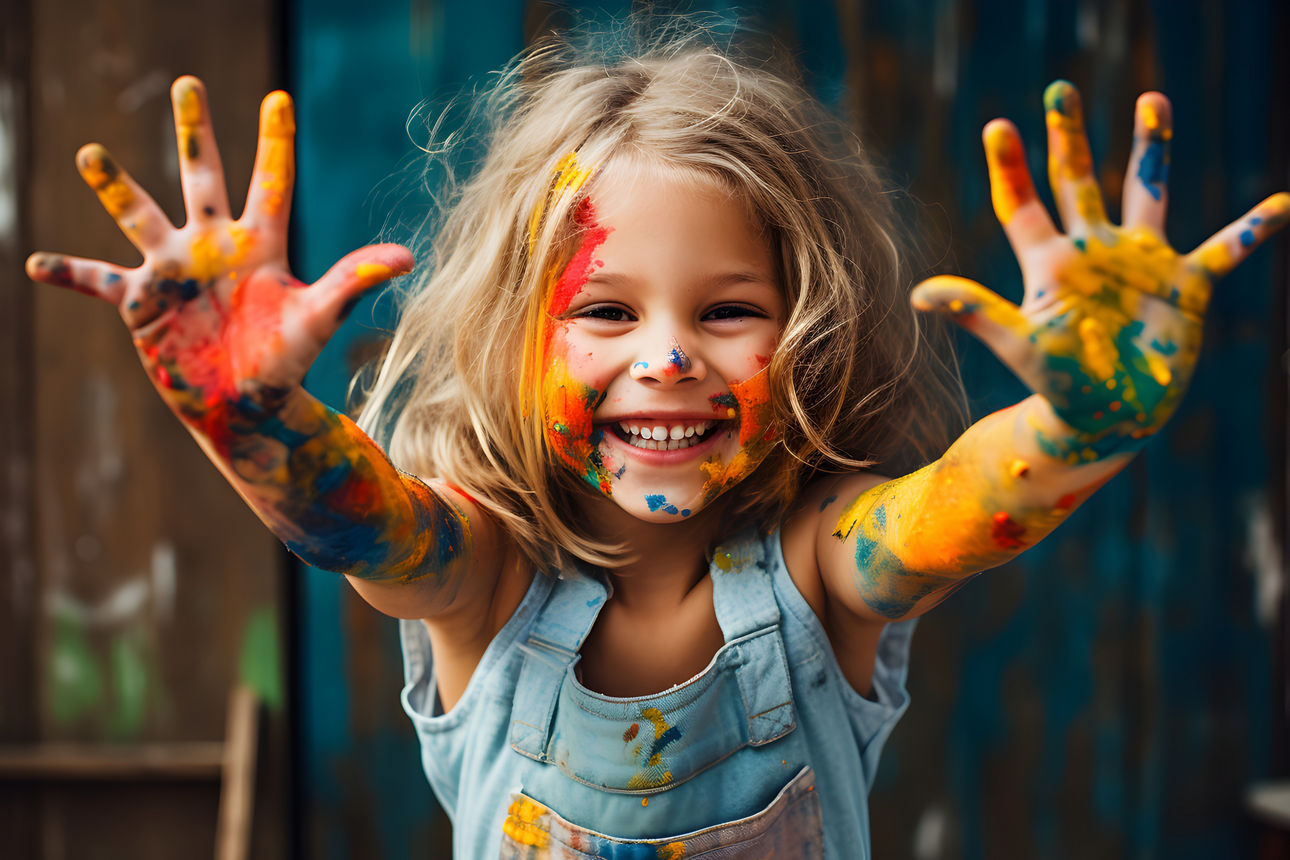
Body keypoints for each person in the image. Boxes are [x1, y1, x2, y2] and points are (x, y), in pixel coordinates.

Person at [25, 22, 1287, 860]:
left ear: (810, 325)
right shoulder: (485, 572)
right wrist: (249, 415)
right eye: (607, 312)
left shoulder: (818, 561)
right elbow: (365, 522)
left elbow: (947, 510)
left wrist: (1080, 424)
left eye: (727, 310)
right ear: (517, 332)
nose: (669, 354)